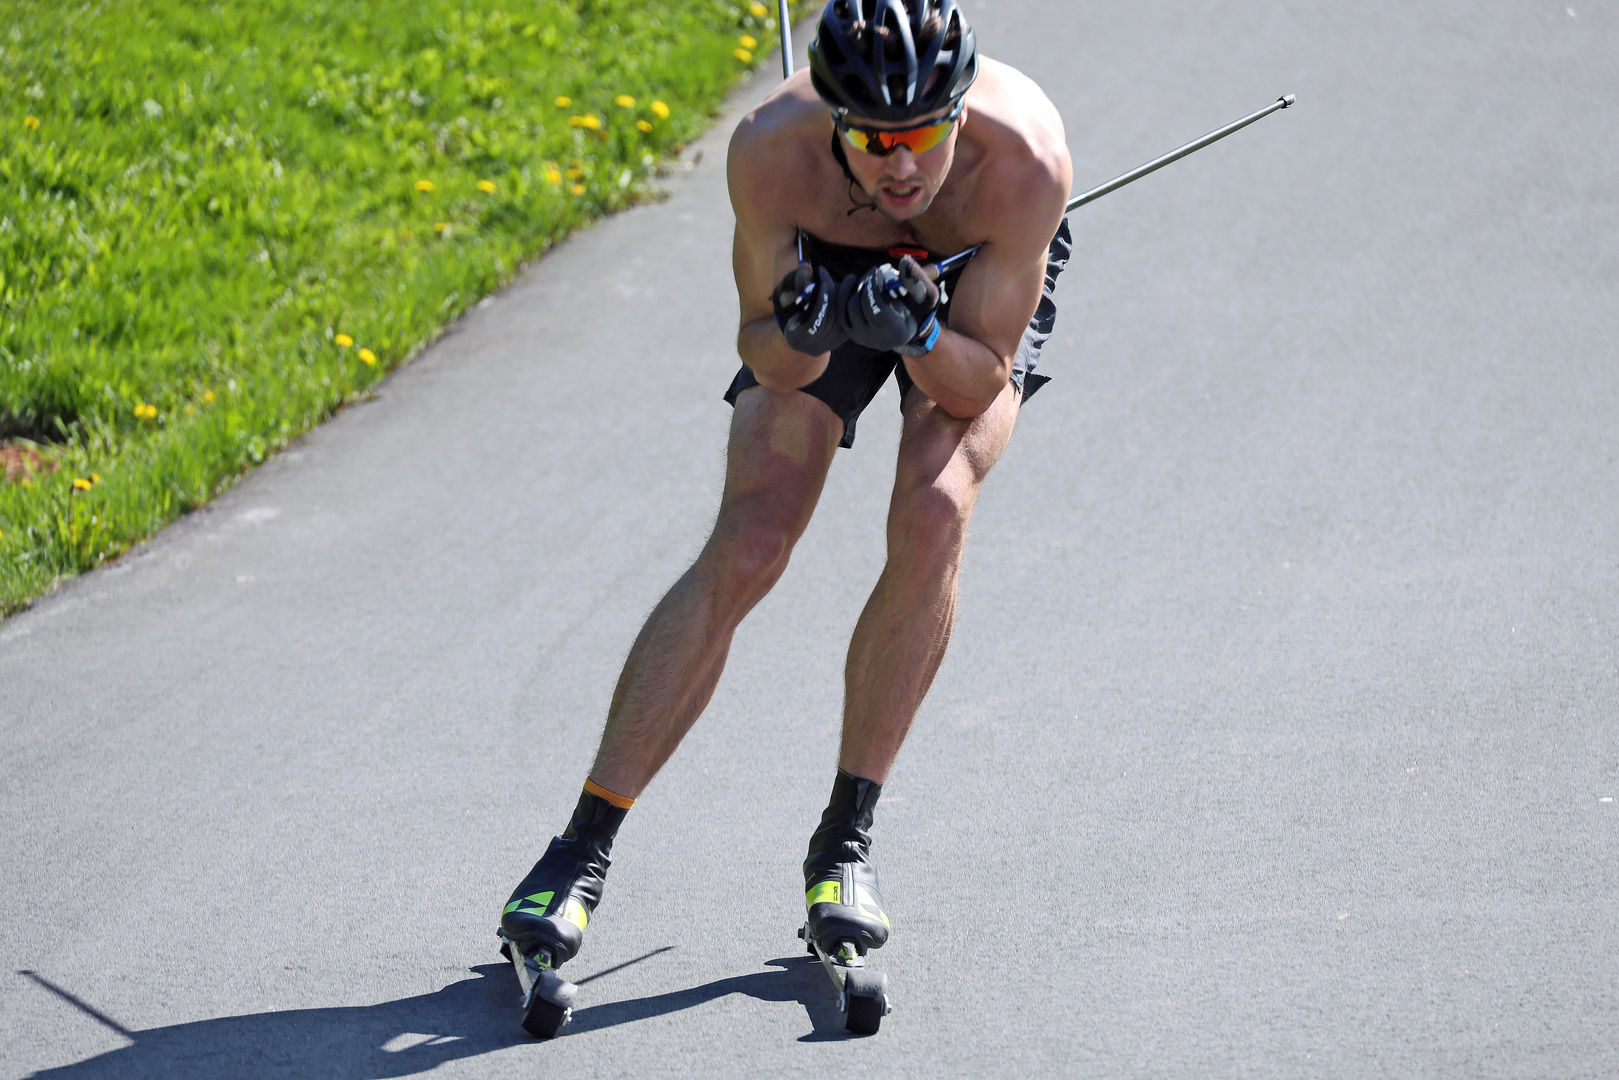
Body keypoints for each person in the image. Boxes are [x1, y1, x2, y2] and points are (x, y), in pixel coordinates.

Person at [500, 0, 1073, 974]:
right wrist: (809, 328)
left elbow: (978, 380)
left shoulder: (1022, 164)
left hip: (964, 295)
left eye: (925, 135)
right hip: (824, 259)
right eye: (877, 141)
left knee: (934, 511)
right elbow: (762, 354)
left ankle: (843, 843)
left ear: (960, 117)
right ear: (837, 122)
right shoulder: (771, 151)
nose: (902, 166)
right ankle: (578, 850)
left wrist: (920, 333)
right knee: (753, 537)